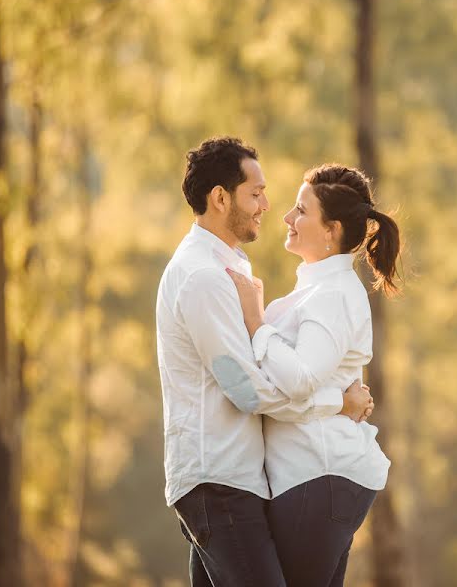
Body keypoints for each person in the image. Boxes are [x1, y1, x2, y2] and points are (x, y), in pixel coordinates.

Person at [155, 138, 374, 587]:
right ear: (220, 198)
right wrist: (338, 403)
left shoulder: (227, 267)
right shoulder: (202, 278)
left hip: (238, 479)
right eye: (255, 193)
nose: (266, 206)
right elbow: (246, 390)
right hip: (218, 480)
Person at [225, 163, 401, 587]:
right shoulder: (315, 292)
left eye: (301, 210)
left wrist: (257, 326)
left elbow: (300, 377)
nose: (286, 218)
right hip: (311, 478)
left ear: (331, 230)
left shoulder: (335, 295)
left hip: (317, 475)